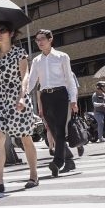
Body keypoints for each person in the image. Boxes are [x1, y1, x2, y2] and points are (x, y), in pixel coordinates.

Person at [0, 21, 39, 191]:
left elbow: (25, 76)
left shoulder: (19, 53)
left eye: (2, 31)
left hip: (18, 99)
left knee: (25, 138)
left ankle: (33, 175)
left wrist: (23, 97)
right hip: (1, 101)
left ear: (10, 34)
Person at [24, 28, 79, 176]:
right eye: (37, 40)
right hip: (45, 97)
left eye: (42, 39)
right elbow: (32, 80)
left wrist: (73, 100)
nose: (39, 42)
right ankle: (68, 159)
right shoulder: (36, 60)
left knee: (60, 129)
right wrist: (22, 96)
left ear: (50, 39)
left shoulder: (62, 57)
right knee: (53, 130)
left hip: (61, 95)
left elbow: (69, 79)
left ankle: (57, 162)